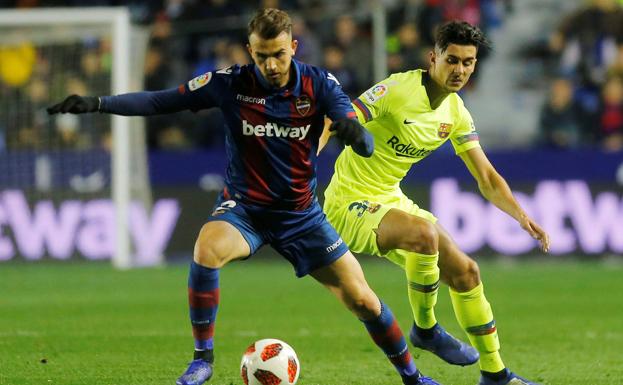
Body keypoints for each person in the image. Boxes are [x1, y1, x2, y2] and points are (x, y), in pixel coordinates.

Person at [47, 8, 441, 385]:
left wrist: (357, 134)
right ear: (251, 50)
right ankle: (202, 359)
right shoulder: (229, 83)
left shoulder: (319, 83)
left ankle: (413, 376)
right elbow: (160, 101)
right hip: (246, 211)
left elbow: (357, 130)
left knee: (365, 302)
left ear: (294, 48)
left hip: (301, 216)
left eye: (280, 55)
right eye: (264, 56)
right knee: (206, 249)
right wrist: (98, 104)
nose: (272, 65)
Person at [322, 21, 551, 385]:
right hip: (349, 201)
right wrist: (303, 167)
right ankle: (425, 330)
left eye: (468, 62)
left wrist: (522, 216)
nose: (459, 70)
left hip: (390, 198)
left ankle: (496, 375)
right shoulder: (398, 89)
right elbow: (339, 118)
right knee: (424, 235)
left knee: (466, 272)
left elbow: (487, 178)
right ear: (434, 58)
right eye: (452, 60)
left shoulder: (456, 113)